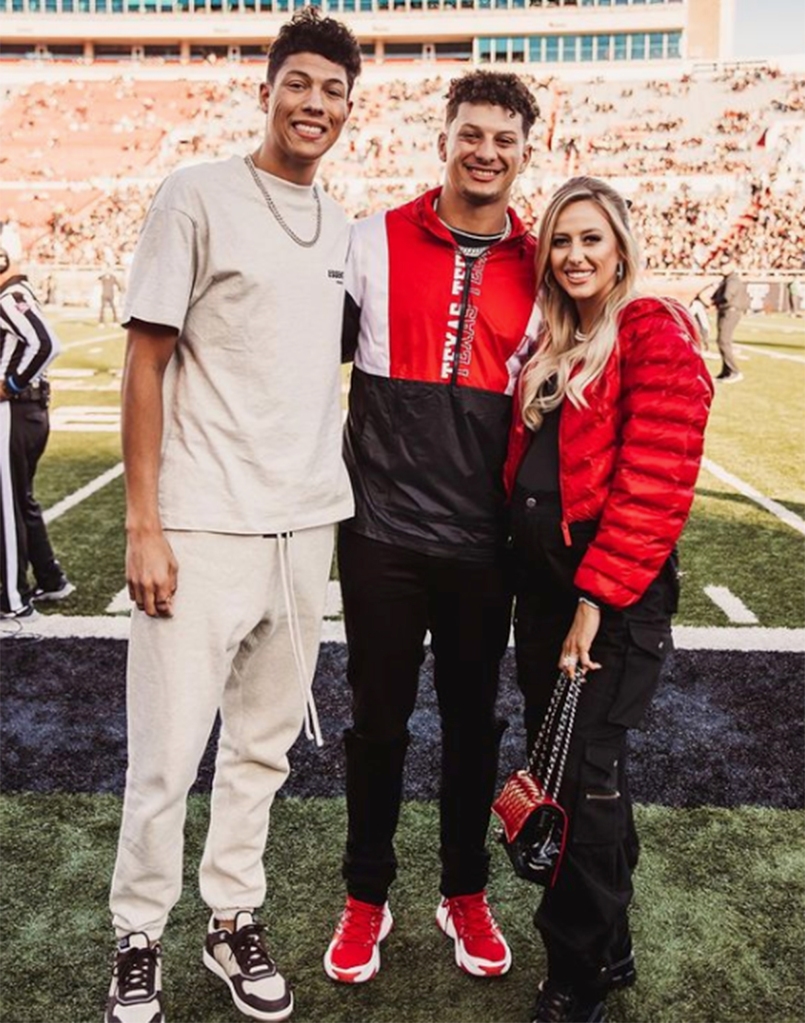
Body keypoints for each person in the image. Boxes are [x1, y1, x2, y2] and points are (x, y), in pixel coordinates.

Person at [104, 11, 361, 1023]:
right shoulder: (195, 193)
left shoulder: (345, 228)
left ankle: (230, 918)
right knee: (166, 752)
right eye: (299, 84)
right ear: (265, 92)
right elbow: (146, 360)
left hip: (306, 526)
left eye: (334, 91)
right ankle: (137, 933)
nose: (315, 105)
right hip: (202, 521)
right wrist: (143, 523)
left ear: (348, 108)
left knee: (261, 749)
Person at [323, 71, 541, 986]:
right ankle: (365, 894)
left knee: (469, 727)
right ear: (443, 138)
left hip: (480, 546)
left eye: (503, 139)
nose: (484, 151)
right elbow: (300, 361)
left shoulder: (545, 264)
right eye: (470, 134)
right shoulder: (369, 237)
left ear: (526, 152)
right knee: (376, 723)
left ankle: (464, 888)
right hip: (378, 535)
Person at [503, 177, 713, 1023]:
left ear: (620, 247)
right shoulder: (556, 343)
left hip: (610, 598)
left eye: (591, 239)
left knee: (581, 785)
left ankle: (576, 977)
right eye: (560, 241)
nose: (575, 255)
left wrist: (595, 597)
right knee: (578, 774)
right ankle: (611, 944)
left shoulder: (649, 327)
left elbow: (656, 476)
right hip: (547, 594)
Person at [0, 248, 75, 621]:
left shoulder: (8, 298)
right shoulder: (20, 292)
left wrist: (10, 384)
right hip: (30, 412)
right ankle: (51, 578)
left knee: (6, 507)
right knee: (21, 499)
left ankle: (14, 599)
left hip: (13, 413)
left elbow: (47, 344)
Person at [710, 259, 749, 382]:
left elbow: (727, 296)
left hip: (730, 311)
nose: (721, 268)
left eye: (724, 265)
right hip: (726, 311)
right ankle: (726, 371)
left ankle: (734, 371)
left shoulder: (732, 280)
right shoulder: (728, 280)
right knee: (722, 341)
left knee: (724, 341)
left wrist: (715, 300)